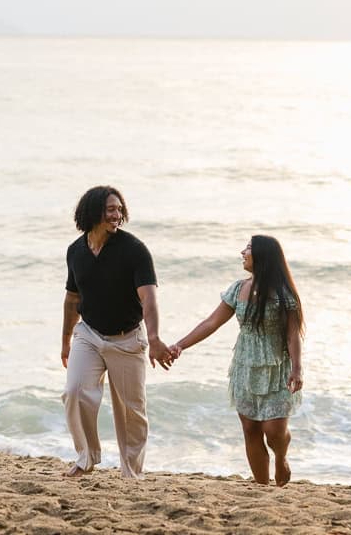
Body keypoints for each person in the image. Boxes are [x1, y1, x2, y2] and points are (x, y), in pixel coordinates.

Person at [169, 234, 304, 486]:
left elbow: (293, 334)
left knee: (273, 432)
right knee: (251, 430)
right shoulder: (237, 289)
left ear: (262, 256)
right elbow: (211, 323)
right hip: (245, 367)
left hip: (277, 369)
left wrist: (297, 368)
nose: (242, 252)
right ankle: (263, 487)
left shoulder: (284, 294)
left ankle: (281, 456)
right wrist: (180, 345)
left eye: (248, 248)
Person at [60, 185, 173, 478]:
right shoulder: (76, 251)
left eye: (120, 209)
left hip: (126, 339)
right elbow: (72, 299)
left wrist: (154, 337)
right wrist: (65, 342)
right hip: (89, 335)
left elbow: (148, 297)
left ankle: (131, 472)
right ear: (93, 211)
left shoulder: (134, 250)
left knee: (130, 412)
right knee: (74, 392)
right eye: (111, 209)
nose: (117, 214)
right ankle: (86, 458)